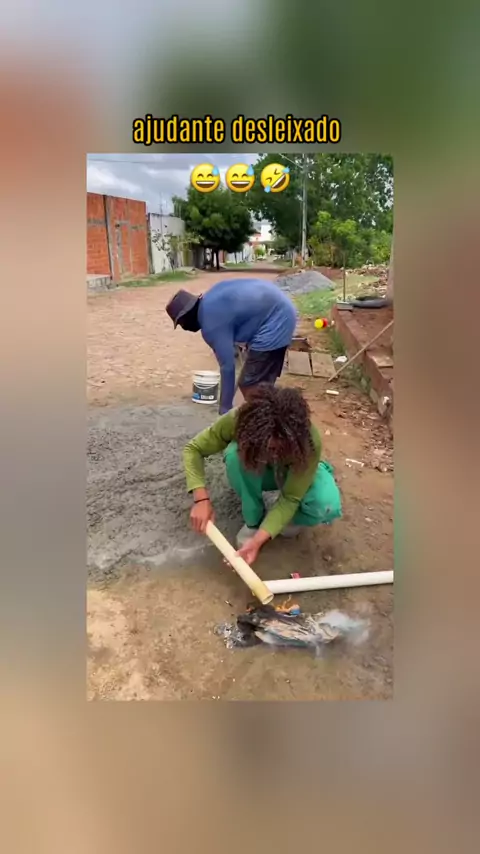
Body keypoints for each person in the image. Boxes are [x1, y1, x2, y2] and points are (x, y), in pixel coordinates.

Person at [183, 385, 342, 566]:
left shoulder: (308, 440)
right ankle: (254, 519)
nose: (272, 454)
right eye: (267, 447)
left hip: (291, 472)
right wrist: (201, 499)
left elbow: (291, 497)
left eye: (279, 448)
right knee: (235, 456)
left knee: (325, 502)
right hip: (257, 470)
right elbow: (194, 449)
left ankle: (284, 521)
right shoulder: (239, 420)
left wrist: (259, 540)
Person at [166, 278, 297, 414]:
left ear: (186, 315)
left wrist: (224, 408)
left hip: (275, 321)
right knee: (263, 384)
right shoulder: (210, 299)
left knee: (249, 385)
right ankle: (272, 417)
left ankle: (263, 420)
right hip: (282, 310)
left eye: (181, 323)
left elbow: (228, 367)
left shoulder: (210, 323)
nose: (183, 327)